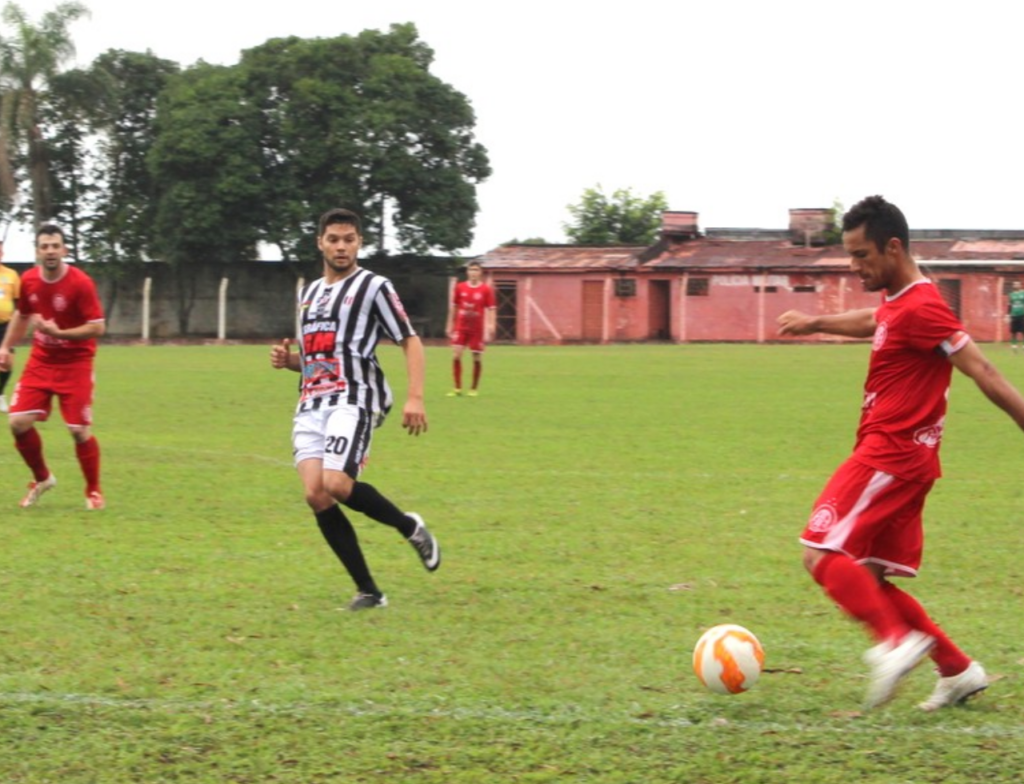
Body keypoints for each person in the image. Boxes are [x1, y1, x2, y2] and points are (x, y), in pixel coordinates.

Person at [777, 195, 1024, 711]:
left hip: (890, 455)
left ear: (893, 247)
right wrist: (816, 323)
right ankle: (957, 670)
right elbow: (874, 320)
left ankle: (894, 641)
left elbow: (983, 369)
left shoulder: (924, 306)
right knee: (866, 575)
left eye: (862, 255)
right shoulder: (899, 300)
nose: (854, 266)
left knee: (819, 554)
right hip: (903, 458)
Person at [270, 207, 440, 611]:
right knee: (316, 495)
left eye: (349, 239)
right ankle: (370, 591)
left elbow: (409, 340)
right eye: (334, 239)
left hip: (354, 397)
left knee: (337, 483)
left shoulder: (374, 286)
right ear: (320, 243)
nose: (341, 246)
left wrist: (415, 396)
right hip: (311, 401)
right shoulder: (308, 294)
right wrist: (289, 362)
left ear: (359, 242)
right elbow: (319, 357)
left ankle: (409, 526)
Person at [0, 224, 106, 510]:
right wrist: (5, 347)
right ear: (37, 251)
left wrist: (60, 333)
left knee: (78, 430)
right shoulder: (30, 280)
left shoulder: (80, 283)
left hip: (76, 362)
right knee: (17, 422)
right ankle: (42, 478)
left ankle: (93, 491)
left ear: (64, 250)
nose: (50, 251)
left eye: (55, 246)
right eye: (44, 246)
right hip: (42, 360)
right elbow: (21, 317)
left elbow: (97, 327)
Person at [445, 260, 495, 397]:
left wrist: (491, 325)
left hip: (476, 329)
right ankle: (457, 388)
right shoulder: (460, 287)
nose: (473, 272)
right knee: (456, 355)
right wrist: (450, 324)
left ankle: (473, 388)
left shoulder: (485, 289)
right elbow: (454, 307)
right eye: (471, 270)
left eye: (476, 270)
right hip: (461, 327)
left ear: (480, 273)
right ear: (467, 272)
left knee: (477, 358)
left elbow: (491, 308)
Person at [0, 240, 20, 413]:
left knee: (8, 362)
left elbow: (19, 301)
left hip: (6, 325)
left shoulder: (11, 275)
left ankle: (0, 394)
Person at [1007, 280, 1024, 351]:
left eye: (1017, 284)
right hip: (1014, 315)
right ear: (1013, 286)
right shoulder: (1011, 295)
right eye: (1015, 284)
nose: (1016, 285)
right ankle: (1014, 346)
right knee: (1013, 331)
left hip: (1022, 314)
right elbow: (1009, 305)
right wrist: (1008, 315)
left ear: (1020, 285)